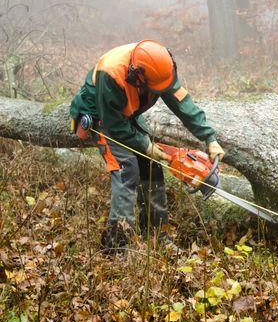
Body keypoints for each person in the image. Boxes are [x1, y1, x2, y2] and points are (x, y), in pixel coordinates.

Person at [69, 39, 225, 251]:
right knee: (127, 170)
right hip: (102, 114)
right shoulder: (112, 73)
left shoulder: (161, 68)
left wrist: (210, 138)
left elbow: (182, 103)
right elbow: (114, 123)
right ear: (139, 78)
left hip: (128, 111)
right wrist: (145, 144)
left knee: (152, 167)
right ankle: (118, 245)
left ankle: (157, 234)